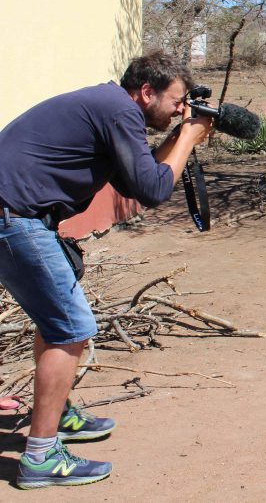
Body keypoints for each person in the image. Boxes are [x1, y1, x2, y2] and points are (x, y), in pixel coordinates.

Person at [0, 52, 213, 489]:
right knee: (71, 328)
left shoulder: (109, 107)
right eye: (175, 101)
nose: (180, 109)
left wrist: (177, 134)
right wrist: (188, 138)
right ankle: (40, 458)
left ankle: (56, 414)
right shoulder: (118, 110)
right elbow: (153, 189)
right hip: (15, 217)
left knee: (55, 319)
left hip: (14, 215)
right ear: (146, 92)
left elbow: (136, 178)